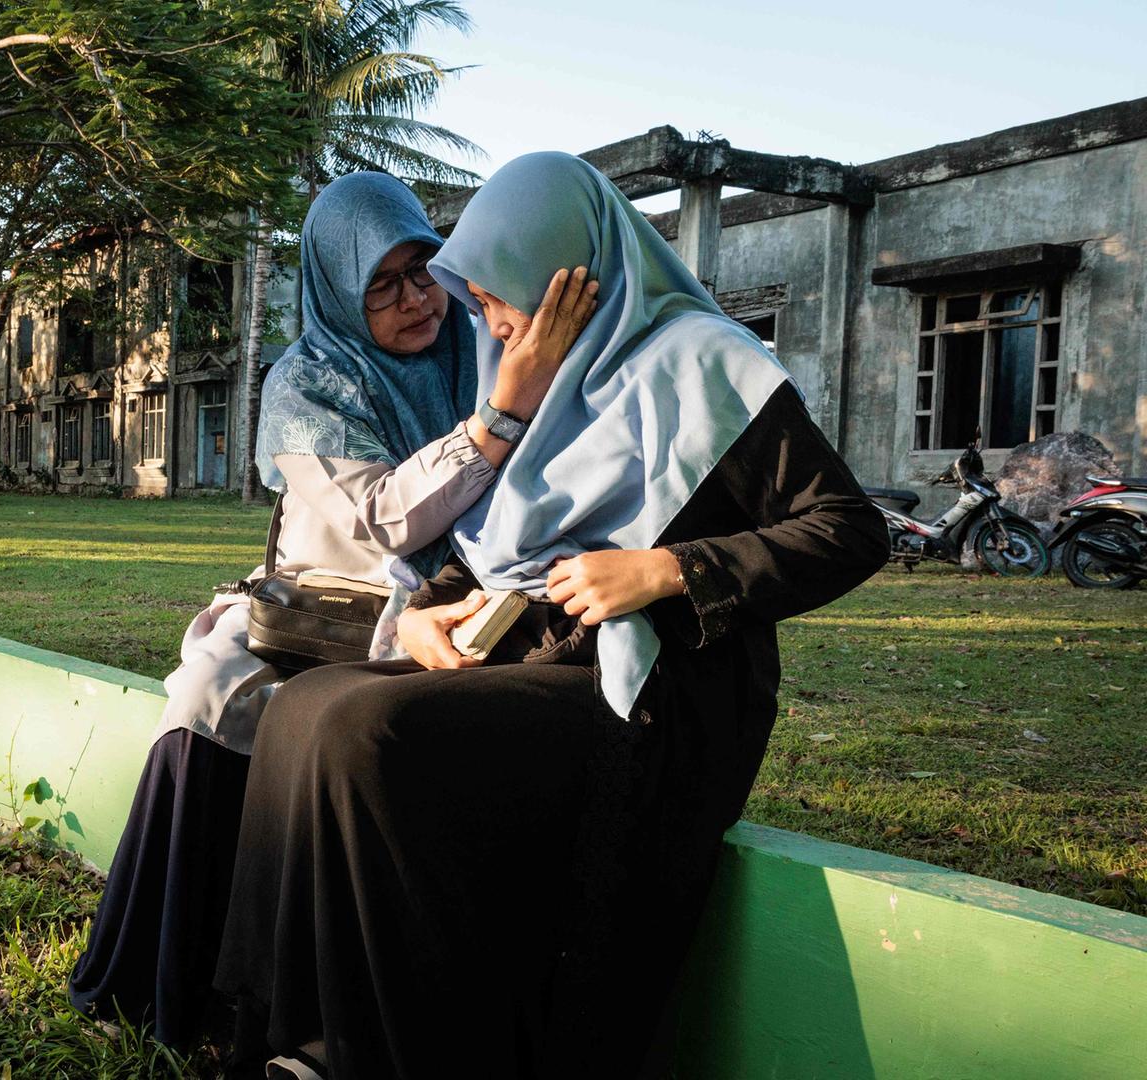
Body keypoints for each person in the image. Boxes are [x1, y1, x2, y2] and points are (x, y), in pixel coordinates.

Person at [214, 152, 890, 1078]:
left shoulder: (707, 362)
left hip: (659, 686)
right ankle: (289, 1030)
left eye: (499, 298)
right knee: (303, 708)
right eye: (479, 301)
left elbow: (850, 530)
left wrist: (666, 569)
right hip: (540, 654)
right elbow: (489, 544)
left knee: (371, 731)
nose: (487, 325)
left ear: (569, 275)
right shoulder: (551, 385)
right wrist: (426, 614)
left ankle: (376, 1056)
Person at [67, 170, 597, 1050]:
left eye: (422, 269)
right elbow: (386, 517)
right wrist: (500, 416)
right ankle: (173, 982)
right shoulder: (307, 383)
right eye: (379, 285)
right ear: (338, 293)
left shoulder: (478, 346)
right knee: (217, 689)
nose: (413, 300)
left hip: (471, 593)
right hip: (333, 600)